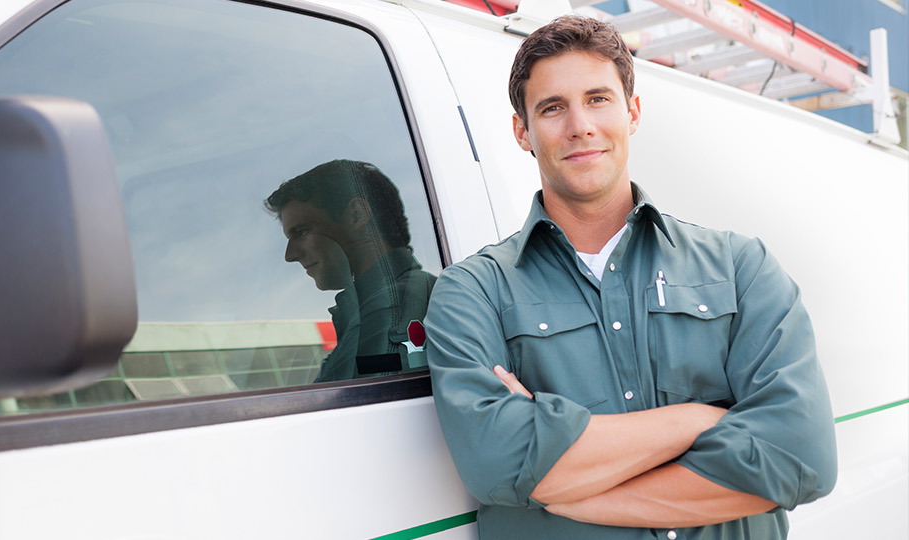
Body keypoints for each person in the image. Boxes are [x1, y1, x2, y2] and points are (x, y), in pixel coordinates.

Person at [424, 15, 836, 539]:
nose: (580, 126)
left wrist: (573, 486)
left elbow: (802, 456)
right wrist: (698, 420)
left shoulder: (739, 267)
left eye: (598, 99)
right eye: (552, 108)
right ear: (522, 131)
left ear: (632, 112)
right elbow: (499, 464)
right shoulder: (473, 292)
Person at [265, 159, 436, 382]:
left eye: (301, 232)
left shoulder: (393, 306)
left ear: (357, 215)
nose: (290, 255)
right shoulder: (376, 306)